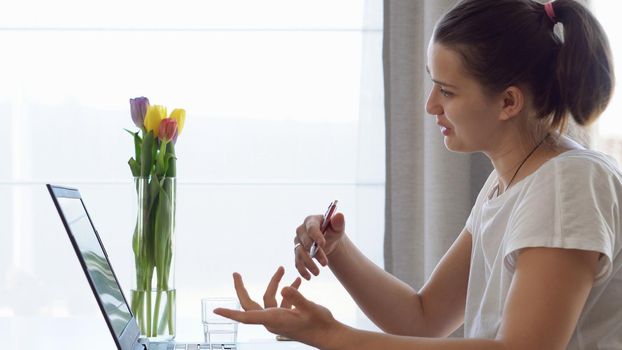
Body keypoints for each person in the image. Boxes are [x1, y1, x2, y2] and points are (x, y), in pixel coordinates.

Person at [214, 0, 622, 349]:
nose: (431, 105)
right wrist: (337, 250)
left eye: (447, 91)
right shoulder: (509, 184)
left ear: (508, 102)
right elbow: (422, 317)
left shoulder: (568, 184)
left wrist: (334, 335)